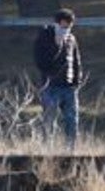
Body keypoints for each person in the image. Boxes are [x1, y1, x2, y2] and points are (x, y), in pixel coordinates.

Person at [33, 8, 83, 147]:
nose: (67, 29)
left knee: (72, 119)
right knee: (50, 119)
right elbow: (41, 62)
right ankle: (47, 150)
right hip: (50, 85)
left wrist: (76, 80)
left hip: (69, 86)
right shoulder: (45, 37)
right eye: (64, 25)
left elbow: (76, 60)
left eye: (69, 26)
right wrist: (57, 45)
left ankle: (70, 149)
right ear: (57, 23)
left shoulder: (71, 38)